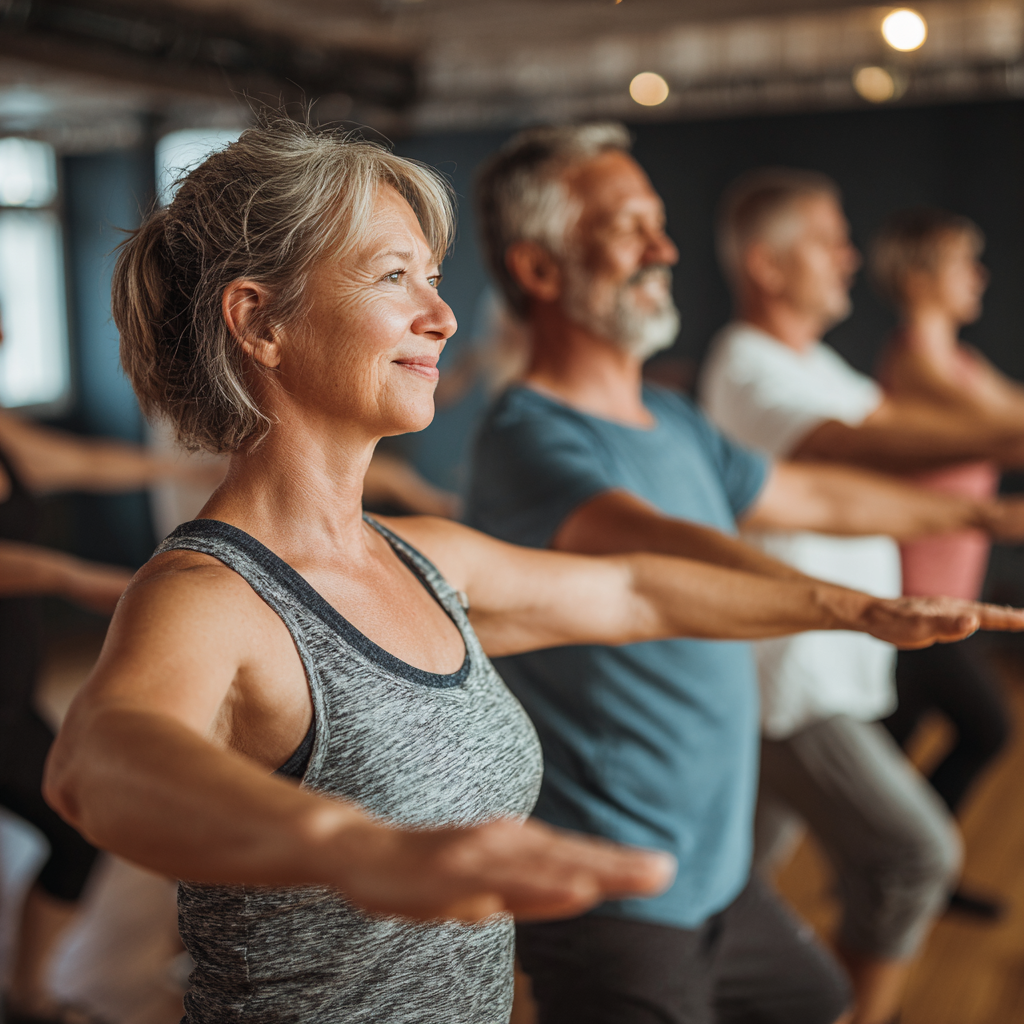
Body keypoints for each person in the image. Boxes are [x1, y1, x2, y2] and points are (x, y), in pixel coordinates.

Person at [41, 119, 1020, 1024]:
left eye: (434, 278)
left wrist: (855, 608)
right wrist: (355, 848)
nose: (441, 316)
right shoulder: (211, 594)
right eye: (394, 276)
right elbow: (99, 759)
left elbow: (636, 590)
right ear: (259, 321)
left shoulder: (426, 558)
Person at [467, 123, 1024, 1024]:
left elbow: (815, 495)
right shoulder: (529, 436)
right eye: (630, 227)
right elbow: (655, 551)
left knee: (821, 1003)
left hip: (719, 875)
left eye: (659, 223)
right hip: (620, 889)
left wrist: (986, 517)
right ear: (538, 269)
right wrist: (858, 608)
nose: (665, 248)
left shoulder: (674, 419)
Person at [698, 169, 1024, 1024]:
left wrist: (989, 511)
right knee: (915, 856)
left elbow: (899, 444)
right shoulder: (746, 363)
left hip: (830, 669)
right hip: (790, 680)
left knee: (736, 883)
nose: (850, 257)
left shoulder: (823, 365)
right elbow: (852, 452)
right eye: (828, 240)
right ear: (767, 265)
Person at [0, 317, 224, 1023]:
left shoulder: (5, 433)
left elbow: (88, 463)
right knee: (73, 826)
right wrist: (68, 575)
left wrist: (179, 470)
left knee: (72, 831)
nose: (5, 331)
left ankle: (28, 999)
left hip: (9, 695)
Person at [872, 207, 1019, 918]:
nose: (979, 276)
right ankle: (915, 867)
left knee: (892, 746)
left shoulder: (962, 365)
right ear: (919, 277)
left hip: (949, 592)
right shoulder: (916, 369)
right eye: (965, 262)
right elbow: (1004, 427)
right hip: (915, 596)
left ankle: (908, 867)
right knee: (987, 728)